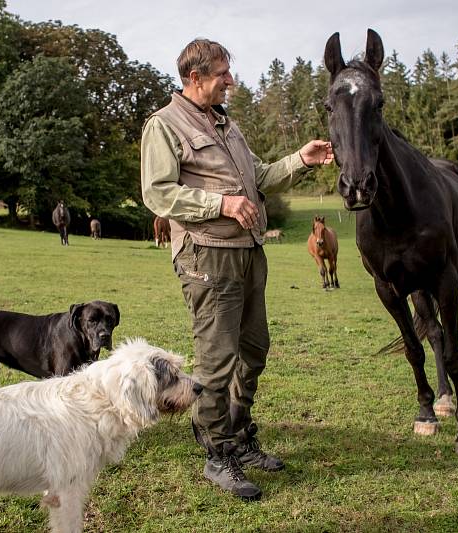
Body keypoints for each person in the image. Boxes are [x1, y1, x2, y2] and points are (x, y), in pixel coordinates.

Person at [140, 38, 333, 500]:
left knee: (254, 350)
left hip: (248, 253)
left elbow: (258, 177)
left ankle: (240, 436)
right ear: (196, 78)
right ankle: (217, 453)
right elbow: (158, 193)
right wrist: (221, 203)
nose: (231, 81)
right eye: (223, 73)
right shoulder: (164, 125)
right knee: (216, 359)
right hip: (207, 254)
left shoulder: (227, 125)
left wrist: (299, 161)